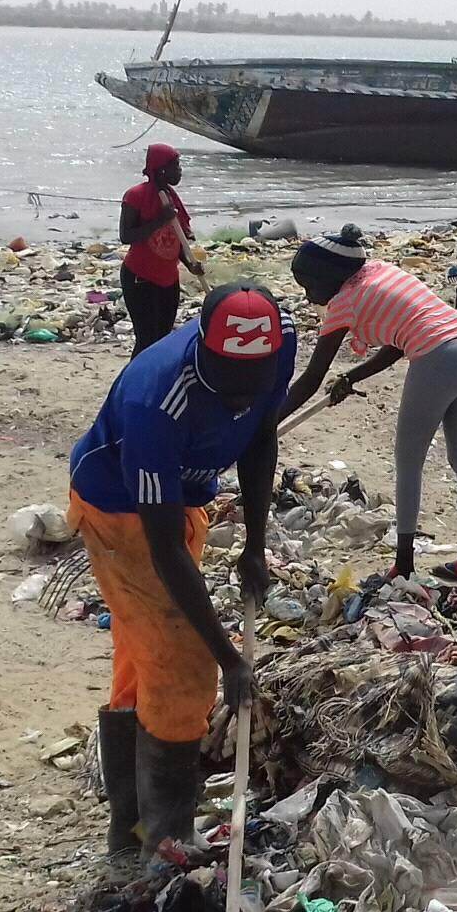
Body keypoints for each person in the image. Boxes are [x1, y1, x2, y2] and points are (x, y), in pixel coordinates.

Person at [68, 283, 291, 873]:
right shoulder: (156, 400)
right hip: (121, 512)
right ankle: (160, 844)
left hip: (183, 500)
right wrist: (228, 659)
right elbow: (162, 548)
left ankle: (130, 831)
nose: (243, 394)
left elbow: (260, 437)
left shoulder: (279, 346)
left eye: (256, 377)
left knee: (146, 658)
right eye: (231, 379)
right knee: (183, 665)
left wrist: (256, 544)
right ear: (204, 351)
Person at [281, 225, 457, 584]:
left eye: (307, 286)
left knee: (409, 461)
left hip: (436, 357)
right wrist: (351, 378)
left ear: (327, 277)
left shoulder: (342, 303)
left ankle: (403, 565)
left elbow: (312, 377)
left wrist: (267, 419)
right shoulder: (381, 271)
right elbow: (397, 340)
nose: (307, 295)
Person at [119, 143, 207, 356]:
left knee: (164, 337)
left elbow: (177, 241)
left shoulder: (171, 198)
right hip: (140, 278)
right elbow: (126, 236)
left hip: (168, 279)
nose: (179, 171)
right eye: (174, 165)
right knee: (147, 339)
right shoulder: (135, 196)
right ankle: (135, 384)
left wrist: (190, 264)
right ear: (160, 169)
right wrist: (160, 220)